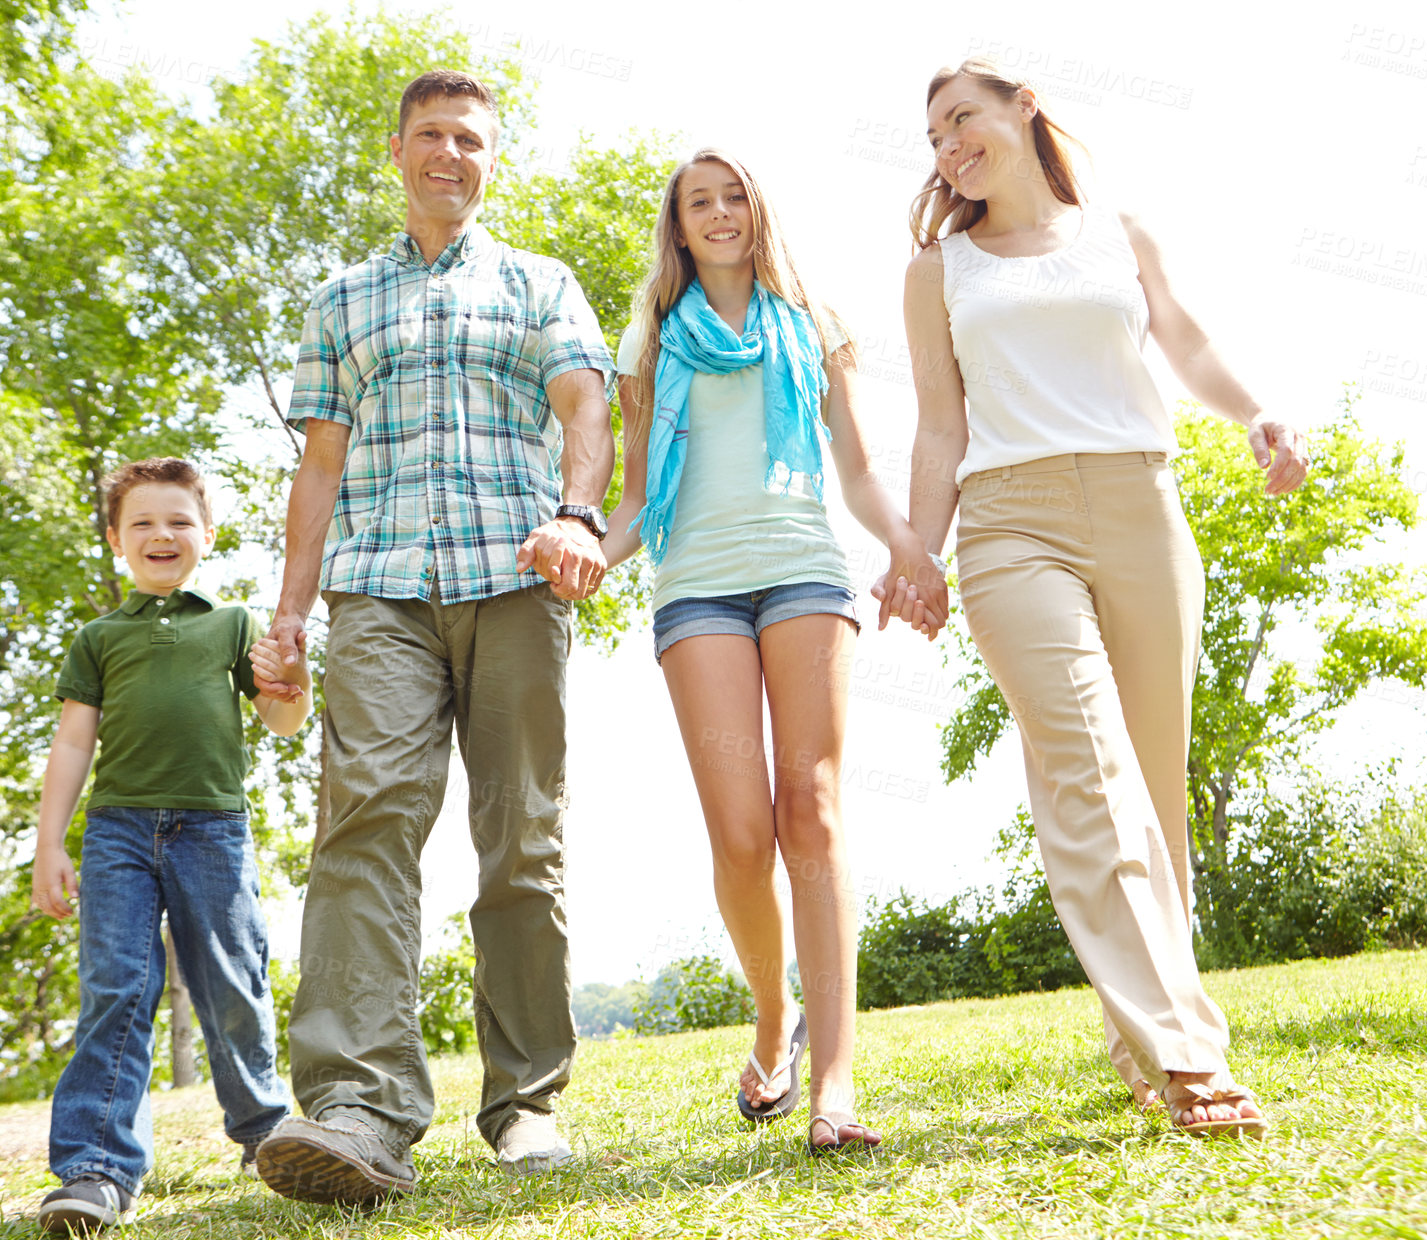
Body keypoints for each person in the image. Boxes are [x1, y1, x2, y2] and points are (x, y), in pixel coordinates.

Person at [876, 57, 1310, 1137]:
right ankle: (1186, 1055)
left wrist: (1256, 412)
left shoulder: (1119, 229)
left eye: (962, 118)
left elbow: (1188, 341)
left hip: (1142, 503)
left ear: (1024, 109)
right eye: (934, 136)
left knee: (1155, 796)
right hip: (1011, 523)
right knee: (1087, 771)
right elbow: (939, 424)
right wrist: (918, 554)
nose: (948, 146)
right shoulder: (938, 271)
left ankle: (1139, 1028)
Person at [249, 69, 615, 1203]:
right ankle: (360, 1108)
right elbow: (317, 470)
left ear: (488, 157)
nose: (450, 153)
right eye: (432, 136)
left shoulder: (541, 282)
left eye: (470, 138)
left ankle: (526, 1101)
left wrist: (577, 513)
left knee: (523, 840)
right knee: (363, 828)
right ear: (397, 151)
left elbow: (586, 409)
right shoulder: (343, 300)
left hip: (514, 582)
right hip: (377, 594)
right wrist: (291, 611)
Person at [601, 148, 933, 1153]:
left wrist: (910, 549)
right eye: (697, 201)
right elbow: (630, 498)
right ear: (679, 225)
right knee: (742, 836)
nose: (717, 212)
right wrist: (583, 553)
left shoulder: (812, 325)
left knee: (813, 813)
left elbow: (863, 471)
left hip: (803, 570)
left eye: (732, 194)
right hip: (696, 580)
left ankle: (834, 1087)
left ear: (759, 208)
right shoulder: (652, 337)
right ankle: (769, 1013)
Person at [30, 457, 308, 1234]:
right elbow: (74, 744)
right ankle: (95, 1167)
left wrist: (294, 682)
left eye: (179, 520)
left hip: (213, 828)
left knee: (232, 978)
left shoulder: (232, 624)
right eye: (144, 522)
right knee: (116, 987)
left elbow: (281, 721)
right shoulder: (98, 638)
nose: (163, 534)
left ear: (206, 535)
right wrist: (51, 845)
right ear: (118, 539)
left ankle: (266, 1134)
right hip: (118, 831)